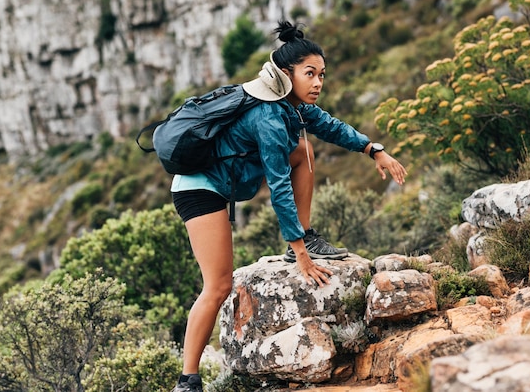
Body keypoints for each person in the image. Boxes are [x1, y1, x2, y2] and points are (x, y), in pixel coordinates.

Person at [170, 20, 407, 392]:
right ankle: (188, 380)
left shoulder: (290, 105)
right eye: (309, 74)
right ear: (285, 74)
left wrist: (373, 149)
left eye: (322, 75)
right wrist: (299, 254)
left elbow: (330, 126)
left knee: (304, 147)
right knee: (217, 285)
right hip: (198, 187)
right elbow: (278, 186)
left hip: (221, 183)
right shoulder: (267, 115)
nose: (317, 83)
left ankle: (307, 234)